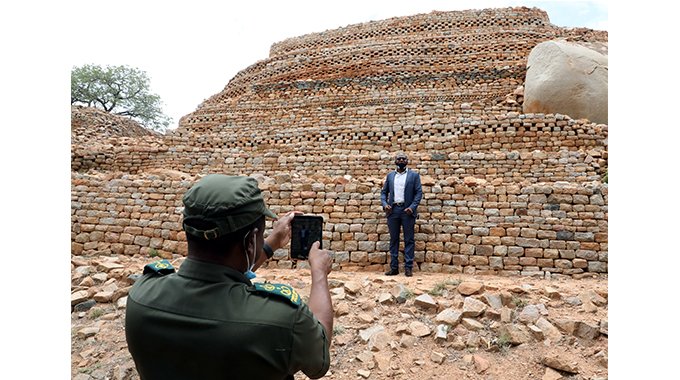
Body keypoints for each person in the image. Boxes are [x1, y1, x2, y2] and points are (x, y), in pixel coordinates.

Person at [125, 174, 333, 380]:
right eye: (259, 236)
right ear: (251, 241)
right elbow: (319, 351)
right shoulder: (283, 319)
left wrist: (271, 244)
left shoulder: (141, 295)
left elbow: (225, 265)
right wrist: (319, 272)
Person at [380, 152, 422, 277]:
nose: (402, 160)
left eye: (404, 158)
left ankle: (408, 268)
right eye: (399, 158)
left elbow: (419, 193)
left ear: (407, 161)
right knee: (394, 240)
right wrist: (384, 204)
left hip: (407, 211)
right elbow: (384, 193)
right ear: (395, 161)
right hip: (393, 211)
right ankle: (394, 267)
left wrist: (412, 207)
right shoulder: (390, 176)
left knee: (409, 239)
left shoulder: (414, 175)